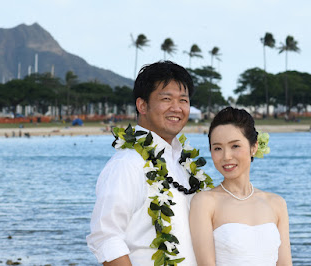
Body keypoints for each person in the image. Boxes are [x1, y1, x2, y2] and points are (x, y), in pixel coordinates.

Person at [87, 61, 199, 265]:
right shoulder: (127, 164)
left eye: (183, 100)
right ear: (142, 105)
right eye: (166, 99)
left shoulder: (183, 164)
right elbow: (106, 238)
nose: (177, 108)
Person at [189, 107, 292, 266]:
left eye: (235, 146)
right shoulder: (205, 202)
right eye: (217, 148)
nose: (226, 156)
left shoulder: (276, 203)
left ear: (254, 147)